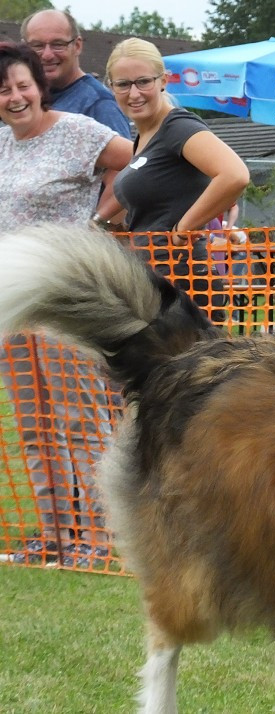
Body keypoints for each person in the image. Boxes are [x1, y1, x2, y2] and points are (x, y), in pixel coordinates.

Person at [0, 42, 133, 568]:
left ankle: (99, 537)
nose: (14, 97)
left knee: (80, 420)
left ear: (39, 84)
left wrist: (97, 223)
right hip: (13, 305)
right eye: (3, 90)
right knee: (34, 424)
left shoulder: (80, 132)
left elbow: (138, 165)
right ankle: (54, 535)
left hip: (65, 300)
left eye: (21, 84)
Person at [105, 38, 249, 315]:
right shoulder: (145, 135)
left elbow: (235, 175)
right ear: (112, 88)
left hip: (183, 285)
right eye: (123, 84)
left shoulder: (177, 127)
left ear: (164, 81)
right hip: (151, 284)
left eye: (143, 82)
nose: (134, 93)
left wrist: (185, 228)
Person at [21, 10, 132, 139]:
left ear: (77, 46)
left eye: (58, 45)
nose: (47, 55)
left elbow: (124, 159)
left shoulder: (99, 106)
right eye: (37, 46)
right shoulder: (19, 99)